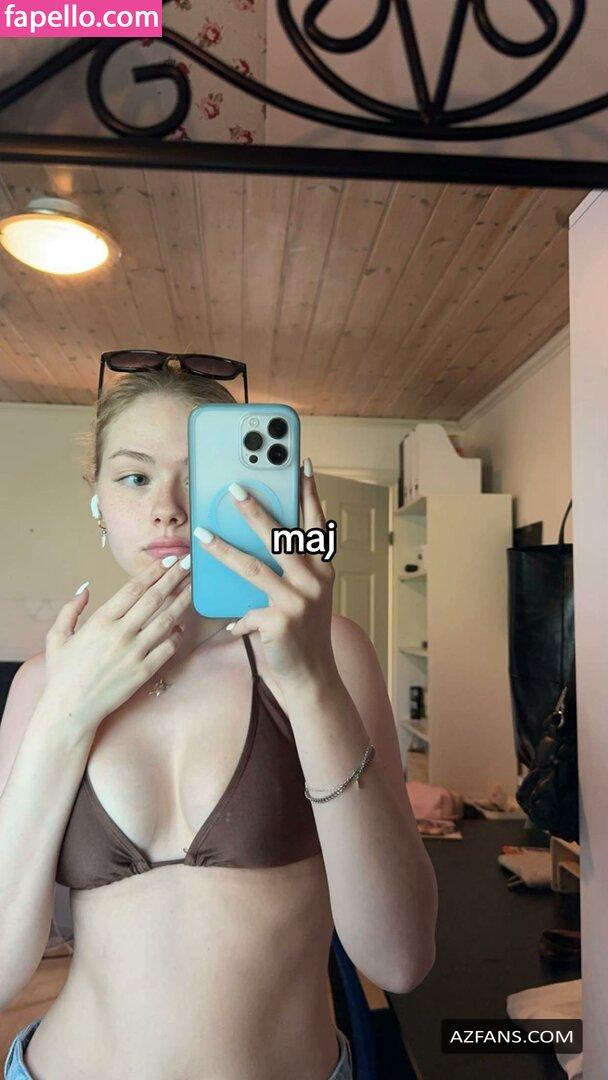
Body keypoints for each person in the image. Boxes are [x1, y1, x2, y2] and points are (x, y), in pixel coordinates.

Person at [0, 362, 438, 1079]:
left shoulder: (332, 651)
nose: (167, 509)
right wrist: (65, 717)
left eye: (198, 478)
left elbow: (400, 958)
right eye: (134, 477)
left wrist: (311, 682)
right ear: (98, 501)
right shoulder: (45, 682)